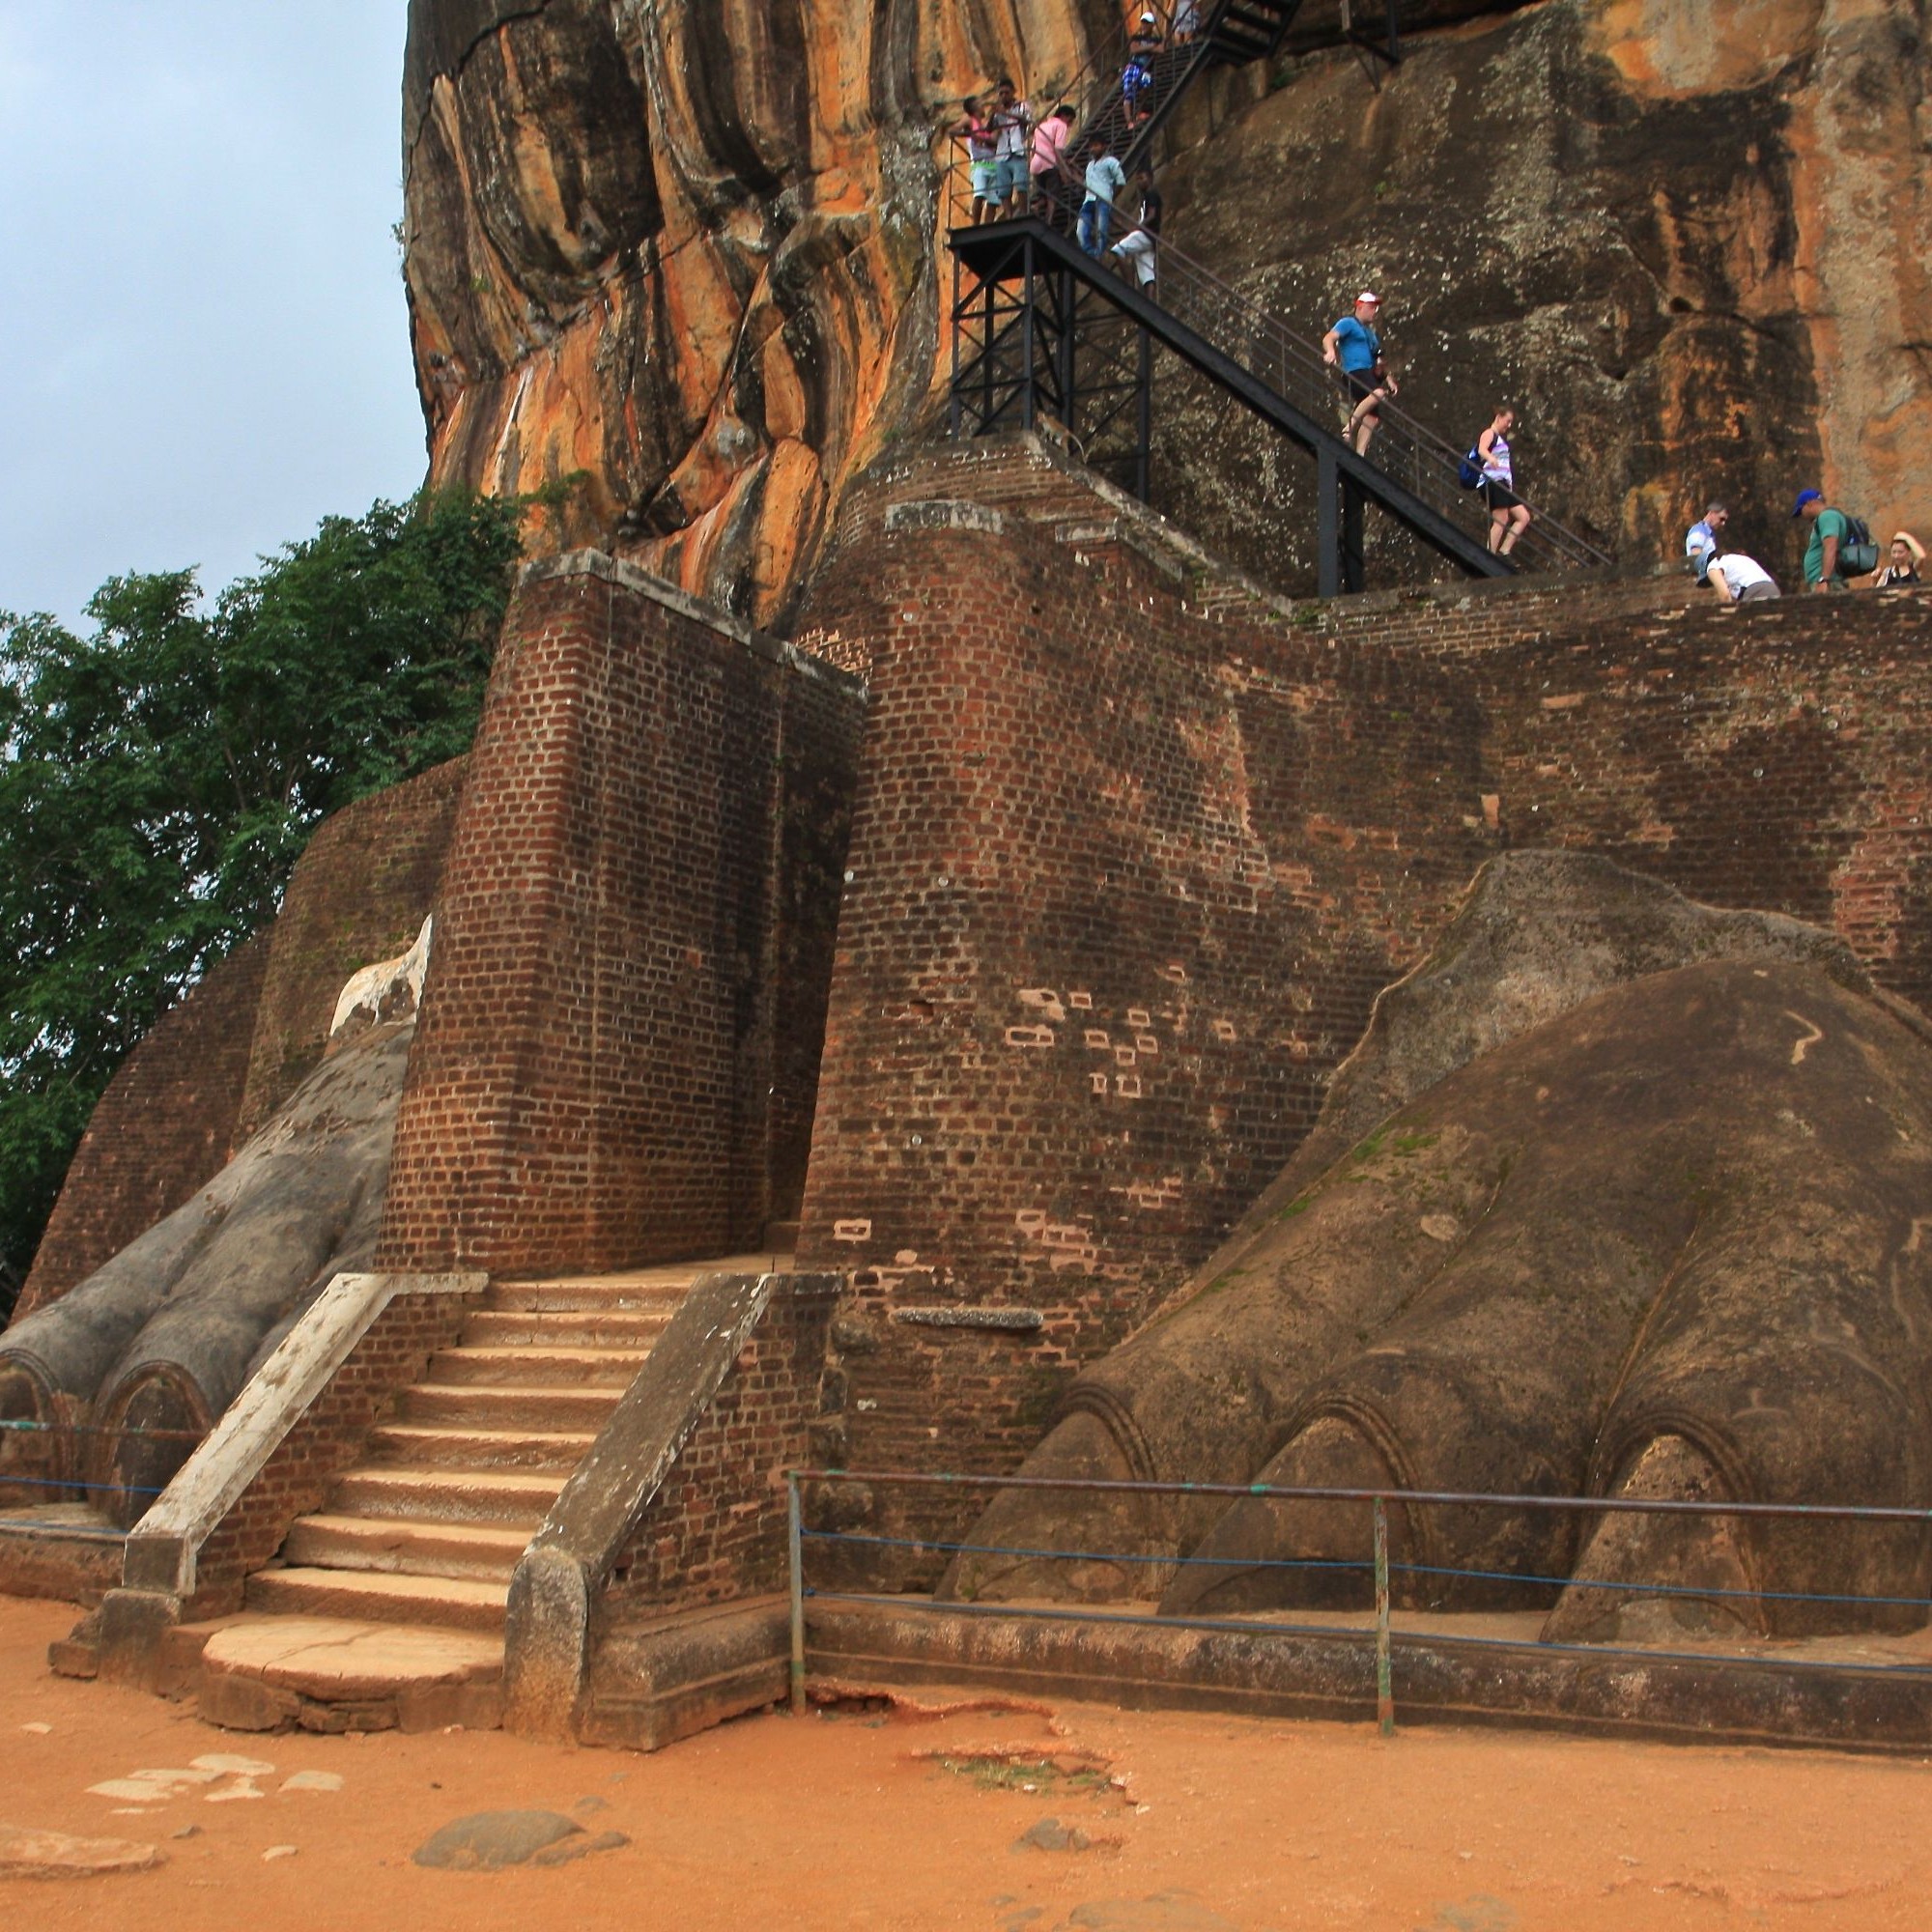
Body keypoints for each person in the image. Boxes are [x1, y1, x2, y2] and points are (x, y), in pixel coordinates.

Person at [1321, 292, 1396, 456]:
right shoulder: (1347, 323)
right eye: (1371, 307)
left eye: (1376, 308)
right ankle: (1349, 426)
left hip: (1367, 372)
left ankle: (1360, 454)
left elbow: (1379, 360)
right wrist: (1331, 352)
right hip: (1354, 371)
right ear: (1360, 307)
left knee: (1372, 417)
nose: (1375, 311)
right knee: (1377, 393)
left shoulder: (1371, 334)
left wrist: (1389, 379)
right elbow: (1329, 337)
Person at [1476, 407, 1532, 556]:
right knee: (1501, 519)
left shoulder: (1500, 439)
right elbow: (1481, 449)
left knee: (1523, 517)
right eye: (1507, 421)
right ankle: (1490, 554)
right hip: (1494, 481)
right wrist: (1490, 458)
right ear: (1498, 418)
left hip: (1503, 484)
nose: (1508, 425)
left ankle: (1504, 549)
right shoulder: (1489, 433)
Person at [1110, 170, 1161, 291]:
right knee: (1147, 276)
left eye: (1142, 178)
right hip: (1151, 239)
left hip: (1146, 235)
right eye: (1137, 179)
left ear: (1150, 179)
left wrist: (1138, 227)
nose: (1139, 182)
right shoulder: (1146, 196)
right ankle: (1150, 305)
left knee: (1117, 250)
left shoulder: (1151, 193)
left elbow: (1152, 215)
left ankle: (1129, 285)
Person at [1793, 488, 1854, 590]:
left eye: (1801, 510)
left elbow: (1831, 546)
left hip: (1829, 583)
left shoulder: (1827, 516)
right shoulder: (1827, 517)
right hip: (1826, 581)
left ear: (1809, 504)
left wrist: (1823, 579)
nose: (1802, 515)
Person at [988, 77, 1032, 218]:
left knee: (1021, 185)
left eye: (1006, 93)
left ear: (1013, 92)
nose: (1003, 96)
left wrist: (1005, 113)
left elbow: (1026, 119)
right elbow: (989, 129)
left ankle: (1023, 213)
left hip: (1018, 150)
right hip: (1001, 154)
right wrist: (992, 115)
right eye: (1001, 93)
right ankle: (1009, 216)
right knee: (1004, 189)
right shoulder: (997, 112)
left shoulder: (1021, 106)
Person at [1079, 134, 1127, 256]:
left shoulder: (1111, 161)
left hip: (1103, 199)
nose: (1093, 149)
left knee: (1101, 230)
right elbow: (1087, 183)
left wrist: (1110, 197)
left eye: (1096, 146)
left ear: (1104, 146)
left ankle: (1099, 254)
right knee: (1080, 231)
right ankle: (1091, 253)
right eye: (1091, 146)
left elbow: (1121, 181)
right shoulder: (1089, 165)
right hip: (1088, 200)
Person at [954, 97, 998, 224]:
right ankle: (976, 225)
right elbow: (954, 129)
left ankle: (988, 227)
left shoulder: (983, 126)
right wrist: (968, 134)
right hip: (979, 164)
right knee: (979, 195)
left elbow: (993, 141)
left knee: (993, 201)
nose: (983, 105)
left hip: (992, 163)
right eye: (980, 103)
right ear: (974, 108)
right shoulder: (970, 120)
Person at [1030, 103, 1074, 227]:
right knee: (1052, 197)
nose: (1070, 124)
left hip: (1036, 165)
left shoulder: (1041, 125)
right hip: (1050, 163)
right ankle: (1048, 222)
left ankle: (1036, 206)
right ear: (1064, 116)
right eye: (1070, 120)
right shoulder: (1061, 125)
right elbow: (1058, 149)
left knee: (1042, 194)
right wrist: (1063, 170)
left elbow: (1033, 149)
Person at [1705, 553, 1780, 603]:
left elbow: (1725, 595)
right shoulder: (1737, 560)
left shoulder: (1712, 566)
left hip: (1756, 591)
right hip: (1773, 588)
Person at [1686, 501, 1729, 580]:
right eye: (1721, 519)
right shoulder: (1699, 530)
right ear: (1712, 513)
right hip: (1702, 576)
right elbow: (1696, 554)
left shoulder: (1709, 533)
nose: (1723, 523)